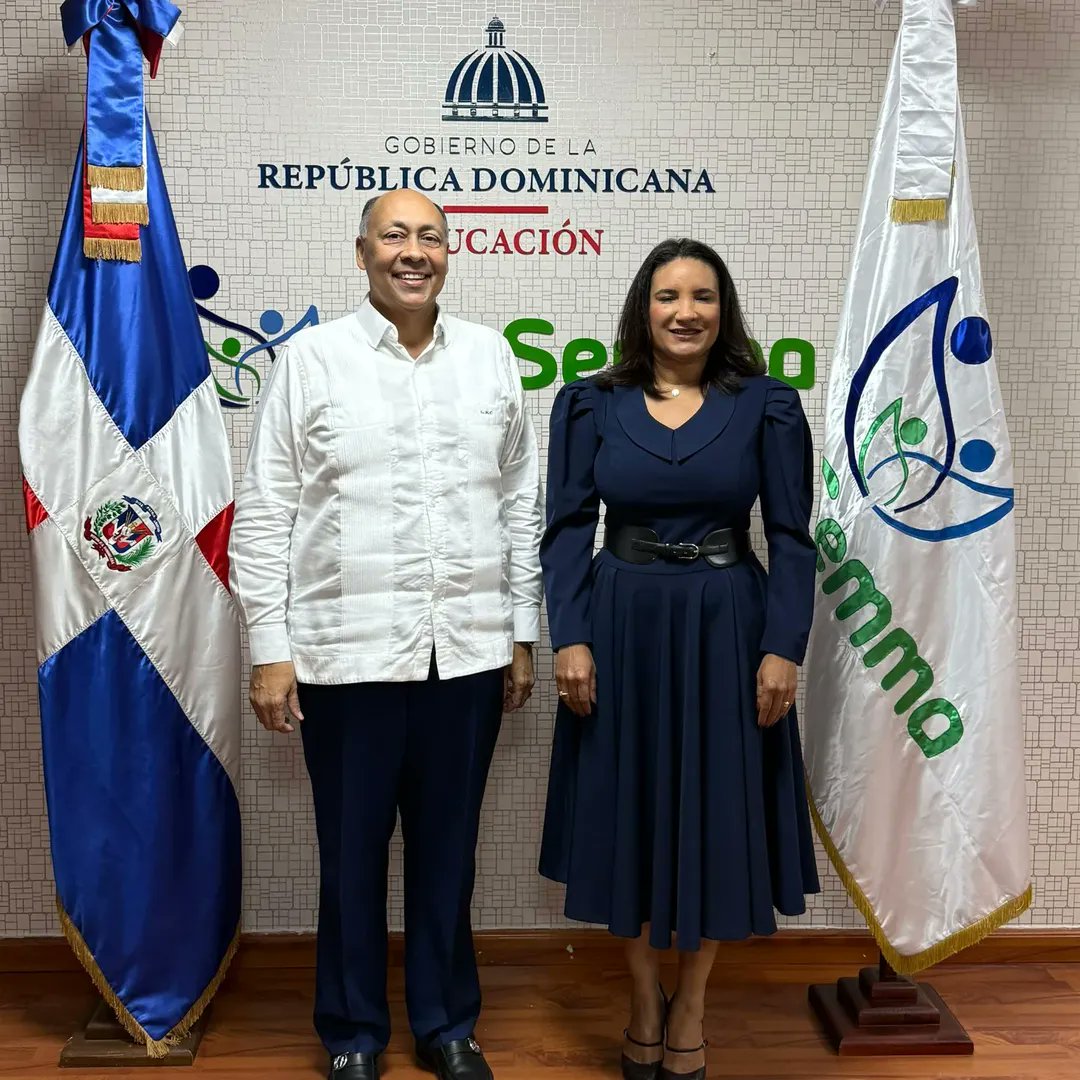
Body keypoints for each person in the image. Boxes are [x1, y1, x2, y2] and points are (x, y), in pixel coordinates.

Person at [229, 190, 544, 1080]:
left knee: (449, 859)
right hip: (345, 657)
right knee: (352, 858)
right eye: (394, 235)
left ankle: (449, 1027)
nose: (414, 251)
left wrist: (522, 630)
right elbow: (265, 513)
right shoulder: (313, 360)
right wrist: (270, 650)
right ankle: (354, 1036)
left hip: (470, 656)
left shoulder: (489, 357)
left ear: (451, 253)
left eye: (431, 236)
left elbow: (520, 501)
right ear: (361, 252)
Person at [538, 238, 820, 1080]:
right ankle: (640, 995)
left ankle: (692, 1002)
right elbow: (563, 531)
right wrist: (572, 635)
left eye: (702, 296)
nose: (685, 312)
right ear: (644, 308)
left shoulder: (767, 403)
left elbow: (794, 538)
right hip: (620, 625)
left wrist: (782, 647)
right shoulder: (590, 403)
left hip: (728, 629)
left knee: (713, 811)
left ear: (722, 309)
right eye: (668, 296)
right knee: (626, 808)